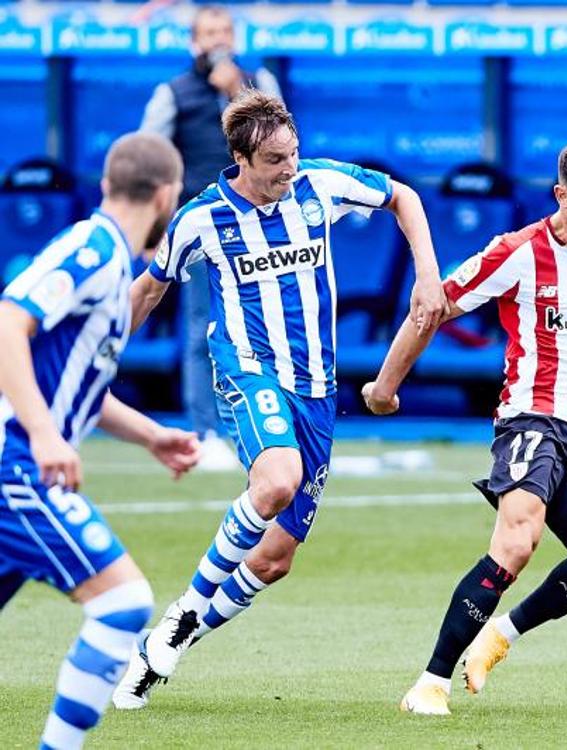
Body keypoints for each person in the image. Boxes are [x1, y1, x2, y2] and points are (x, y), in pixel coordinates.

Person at [112, 89, 447, 709]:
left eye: (293, 154)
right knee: (275, 482)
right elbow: (149, 292)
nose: (289, 168)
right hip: (248, 370)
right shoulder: (200, 219)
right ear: (240, 157)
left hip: (317, 388)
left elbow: (404, 196)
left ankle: (168, 644)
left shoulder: (319, 185)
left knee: (273, 560)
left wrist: (427, 273)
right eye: (275, 160)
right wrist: (91, 355)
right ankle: (186, 609)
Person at [362, 136, 567, 715]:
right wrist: (384, 387)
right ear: (561, 196)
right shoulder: (516, 252)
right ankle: (431, 683)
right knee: (517, 543)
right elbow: (432, 306)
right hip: (532, 419)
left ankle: (500, 636)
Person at [0, 133, 200, 748]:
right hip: (15, 466)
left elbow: (79, 383)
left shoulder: (114, 262)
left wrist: (151, 436)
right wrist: (41, 433)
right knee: (124, 603)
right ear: (166, 194)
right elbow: (8, 319)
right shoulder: (94, 250)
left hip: (23, 458)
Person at [141, 4, 283, 471]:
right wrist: (153, 227)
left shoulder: (257, 83)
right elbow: (151, 158)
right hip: (204, 226)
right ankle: (205, 431)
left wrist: (237, 93)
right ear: (193, 41)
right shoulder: (172, 92)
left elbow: (283, 142)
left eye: (225, 31)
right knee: (204, 327)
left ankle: (267, 425)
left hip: (263, 225)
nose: (218, 40)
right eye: (208, 33)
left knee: (266, 327)